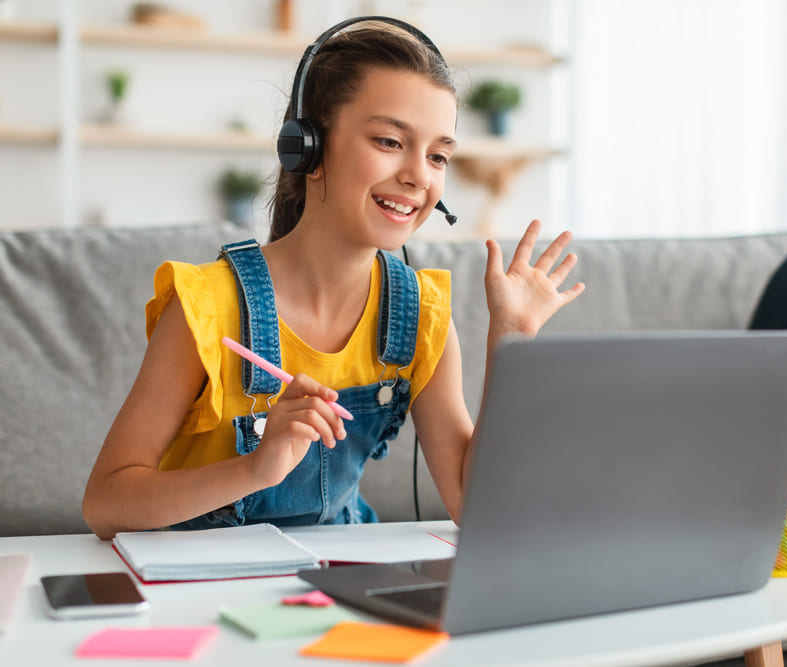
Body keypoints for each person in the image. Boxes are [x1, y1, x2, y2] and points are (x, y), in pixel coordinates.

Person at [81, 18, 585, 540]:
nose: (419, 175)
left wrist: (513, 339)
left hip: (338, 577)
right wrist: (254, 469)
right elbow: (104, 503)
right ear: (310, 150)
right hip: (200, 580)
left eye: (438, 155)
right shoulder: (207, 306)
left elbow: (468, 499)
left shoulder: (420, 315)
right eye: (390, 141)